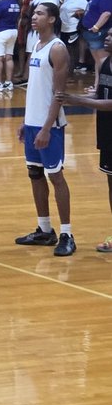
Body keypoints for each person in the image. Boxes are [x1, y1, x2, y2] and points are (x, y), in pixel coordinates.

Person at [14, 1, 75, 256]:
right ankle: (44, 229)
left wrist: (47, 128)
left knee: (56, 177)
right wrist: (26, 121)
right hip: (33, 123)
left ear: (52, 19)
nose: (34, 17)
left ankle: (67, 234)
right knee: (34, 175)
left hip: (50, 126)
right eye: (34, 13)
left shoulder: (57, 48)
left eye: (39, 13)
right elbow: (36, 89)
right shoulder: (36, 45)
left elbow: (59, 94)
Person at [58, 27, 112, 253]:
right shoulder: (106, 62)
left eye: (111, 35)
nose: (106, 37)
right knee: (111, 183)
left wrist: (78, 101)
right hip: (107, 132)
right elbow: (100, 96)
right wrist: (73, 97)